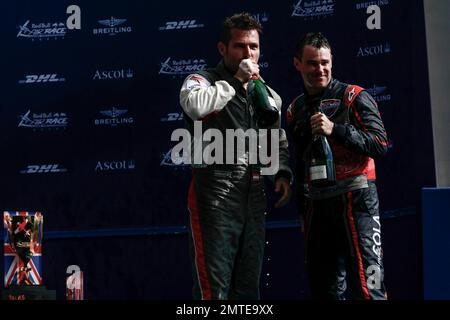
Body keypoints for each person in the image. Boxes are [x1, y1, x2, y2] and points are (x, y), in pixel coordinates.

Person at [179, 12, 292, 300]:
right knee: (214, 291)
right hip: (214, 195)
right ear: (223, 49)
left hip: (253, 195)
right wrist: (235, 81)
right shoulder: (201, 80)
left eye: (253, 47)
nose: (248, 53)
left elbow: (274, 139)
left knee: (247, 291)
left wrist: (280, 172)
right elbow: (195, 108)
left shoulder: (267, 94)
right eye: (240, 46)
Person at [286, 32, 388, 299]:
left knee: (370, 286)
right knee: (325, 291)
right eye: (312, 63)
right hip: (317, 206)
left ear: (331, 61)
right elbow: (300, 162)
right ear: (298, 64)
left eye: (324, 62)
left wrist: (336, 129)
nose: (320, 69)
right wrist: (301, 210)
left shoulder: (354, 96)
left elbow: (379, 144)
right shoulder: (294, 110)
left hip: (358, 201)